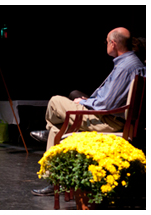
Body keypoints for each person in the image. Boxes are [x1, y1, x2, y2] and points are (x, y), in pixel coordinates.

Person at [30, 27, 146, 196]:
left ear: (113, 44)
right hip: (112, 117)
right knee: (58, 127)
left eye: (107, 42)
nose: (106, 44)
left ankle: (49, 137)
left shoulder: (126, 67)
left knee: (55, 101)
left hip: (108, 121)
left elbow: (107, 104)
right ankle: (55, 181)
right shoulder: (130, 62)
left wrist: (86, 103)